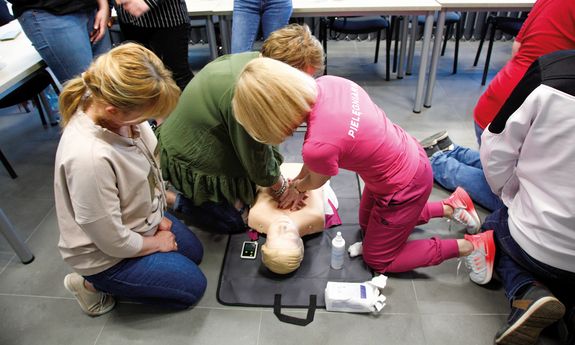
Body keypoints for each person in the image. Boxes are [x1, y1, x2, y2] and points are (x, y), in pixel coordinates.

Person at [232, 57, 496, 281]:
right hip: (406, 156)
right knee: (366, 225)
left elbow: (316, 178)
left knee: (379, 259)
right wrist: (295, 183)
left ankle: (471, 246)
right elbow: (315, 163)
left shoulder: (319, 145)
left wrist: (297, 187)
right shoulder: (330, 83)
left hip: (403, 186)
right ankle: (452, 206)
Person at [54, 43, 206, 316]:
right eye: (146, 116)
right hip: (106, 254)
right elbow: (111, 241)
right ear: (113, 110)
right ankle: (90, 285)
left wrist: (156, 216)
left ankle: (144, 259)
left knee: (194, 253)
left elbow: (145, 176)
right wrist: (156, 243)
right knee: (192, 288)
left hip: (136, 225)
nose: (150, 121)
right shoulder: (89, 158)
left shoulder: (117, 114)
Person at [157, 24, 324, 235]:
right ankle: (168, 197)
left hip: (199, 138)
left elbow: (261, 146)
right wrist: (282, 188)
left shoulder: (255, 62)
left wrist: (277, 179)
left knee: (257, 190)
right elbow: (256, 155)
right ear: (282, 74)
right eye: (301, 80)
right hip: (187, 157)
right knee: (235, 221)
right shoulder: (245, 93)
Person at [422, 0, 575, 212]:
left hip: (498, 102)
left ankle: (453, 151)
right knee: (518, 202)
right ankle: (434, 163)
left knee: (507, 169)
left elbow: (517, 48)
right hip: (520, 113)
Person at [478, 50, 575, 345]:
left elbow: (495, 152)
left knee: (491, 230)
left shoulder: (552, 72)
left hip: (537, 244)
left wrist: (509, 194)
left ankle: (526, 291)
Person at [249, 163, 341, 274]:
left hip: (273, 167)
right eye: (289, 236)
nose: (283, 227)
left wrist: (283, 187)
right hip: (310, 169)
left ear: (264, 244)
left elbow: (261, 186)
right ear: (301, 243)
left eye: (276, 236)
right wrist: (300, 188)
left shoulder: (256, 216)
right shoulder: (314, 217)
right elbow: (318, 183)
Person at [8, 0, 112, 84]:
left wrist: (104, 4)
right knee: (87, 94)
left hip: (91, 7)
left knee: (110, 84)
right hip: (49, 10)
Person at [112, 0, 193, 90]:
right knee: (138, 76)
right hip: (129, 19)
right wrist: (106, 7)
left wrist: (147, 2)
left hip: (166, 20)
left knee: (175, 76)